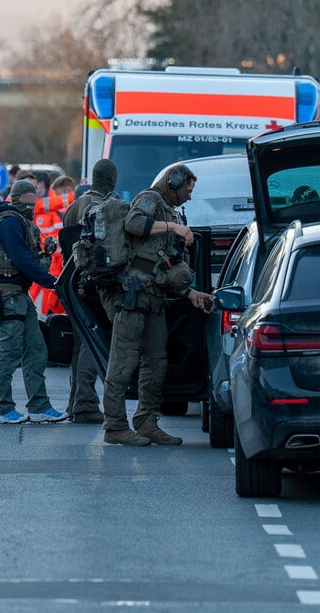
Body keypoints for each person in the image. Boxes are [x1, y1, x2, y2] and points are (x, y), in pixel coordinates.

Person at [101, 163, 212, 446]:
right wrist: (173, 226)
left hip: (155, 297)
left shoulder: (172, 211)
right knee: (123, 363)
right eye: (188, 188)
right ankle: (114, 426)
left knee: (156, 362)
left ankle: (147, 422)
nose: (189, 195)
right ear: (174, 181)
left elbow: (166, 264)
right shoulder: (150, 199)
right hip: (133, 297)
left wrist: (189, 293)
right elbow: (133, 224)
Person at [0, 179, 68, 424]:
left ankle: (39, 406)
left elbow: (27, 260)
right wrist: (52, 281)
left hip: (21, 295)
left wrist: (46, 257)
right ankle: (2, 409)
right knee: (8, 355)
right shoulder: (9, 223)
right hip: (7, 296)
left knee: (37, 350)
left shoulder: (19, 221)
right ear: (19, 198)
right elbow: (21, 260)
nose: (33, 204)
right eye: (29, 199)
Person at [60, 159, 119, 424]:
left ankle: (75, 402)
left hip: (71, 284)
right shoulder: (101, 207)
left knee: (78, 342)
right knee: (92, 340)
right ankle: (85, 403)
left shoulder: (73, 207)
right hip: (92, 284)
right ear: (111, 180)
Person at [28, 175, 76, 318]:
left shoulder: (70, 211)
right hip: (49, 259)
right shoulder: (47, 209)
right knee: (41, 293)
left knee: (54, 296)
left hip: (61, 260)